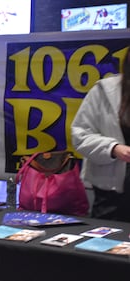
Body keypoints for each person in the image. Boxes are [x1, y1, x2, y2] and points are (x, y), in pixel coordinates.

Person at [72, 47, 130, 222]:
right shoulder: (104, 91)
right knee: (105, 244)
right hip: (111, 192)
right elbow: (80, 134)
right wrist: (113, 148)